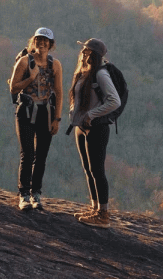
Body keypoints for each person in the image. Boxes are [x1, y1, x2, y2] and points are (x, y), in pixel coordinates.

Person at [8, 27, 64, 211]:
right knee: (27, 154)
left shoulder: (55, 65)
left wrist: (57, 118)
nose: (42, 43)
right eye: (39, 40)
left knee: (41, 156)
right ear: (34, 41)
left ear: (51, 44)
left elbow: (59, 92)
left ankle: (36, 194)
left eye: (45, 41)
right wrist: (30, 78)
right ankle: (24, 194)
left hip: (45, 112)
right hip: (26, 110)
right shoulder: (25, 61)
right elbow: (13, 88)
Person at [69, 38, 122, 226]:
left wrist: (91, 114)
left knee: (97, 170)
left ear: (95, 55)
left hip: (96, 128)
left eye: (87, 51)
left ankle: (103, 214)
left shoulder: (100, 74)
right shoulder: (84, 72)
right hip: (82, 128)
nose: (83, 53)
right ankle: (94, 208)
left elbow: (115, 101)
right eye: (83, 50)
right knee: (88, 169)